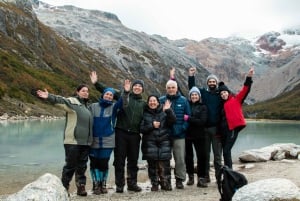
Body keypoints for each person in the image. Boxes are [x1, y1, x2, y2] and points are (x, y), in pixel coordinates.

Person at [90, 71, 146, 193]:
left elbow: (153, 111)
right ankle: (120, 185)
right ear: (132, 87)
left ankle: (132, 184)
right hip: (120, 133)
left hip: (135, 135)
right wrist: (96, 84)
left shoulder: (144, 104)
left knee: (133, 160)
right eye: (135, 85)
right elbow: (108, 92)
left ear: (142, 90)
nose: (137, 87)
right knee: (119, 160)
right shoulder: (124, 97)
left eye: (140, 86)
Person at [36, 84, 93, 196]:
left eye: (87, 91)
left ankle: (81, 187)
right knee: (70, 166)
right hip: (73, 141)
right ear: (77, 92)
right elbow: (61, 100)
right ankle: (64, 188)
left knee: (82, 166)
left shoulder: (86, 107)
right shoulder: (73, 102)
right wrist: (49, 96)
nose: (86, 92)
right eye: (83, 91)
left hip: (85, 143)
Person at [88, 79, 131, 195]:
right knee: (94, 163)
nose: (108, 96)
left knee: (103, 163)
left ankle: (103, 184)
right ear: (103, 95)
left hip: (108, 140)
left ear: (113, 98)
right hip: (93, 140)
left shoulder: (114, 107)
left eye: (111, 95)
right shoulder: (93, 106)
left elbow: (123, 102)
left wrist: (126, 92)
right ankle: (96, 185)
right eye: (107, 94)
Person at [188, 67, 222, 182]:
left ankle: (218, 176)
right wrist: (191, 76)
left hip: (216, 129)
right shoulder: (203, 92)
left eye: (214, 81)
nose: (212, 83)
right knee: (205, 155)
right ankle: (206, 176)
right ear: (207, 83)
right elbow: (192, 89)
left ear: (216, 83)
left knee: (217, 156)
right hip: (204, 130)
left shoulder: (219, 94)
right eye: (210, 81)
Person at [218, 67, 254, 169]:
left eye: (224, 92)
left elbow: (245, 90)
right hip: (223, 131)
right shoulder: (222, 104)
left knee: (226, 151)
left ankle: (229, 172)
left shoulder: (236, 100)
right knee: (226, 152)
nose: (223, 94)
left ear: (228, 92)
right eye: (221, 93)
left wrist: (249, 77)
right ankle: (228, 171)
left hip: (232, 129)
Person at [140, 95, 176, 191]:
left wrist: (168, 110)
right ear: (148, 103)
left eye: (154, 101)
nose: (152, 102)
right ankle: (154, 183)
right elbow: (141, 129)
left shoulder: (164, 112)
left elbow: (172, 121)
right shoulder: (144, 113)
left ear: (158, 102)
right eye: (150, 101)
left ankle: (166, 182)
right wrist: (152, 125)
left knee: (165, 165)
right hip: (150, 142)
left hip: (164, 141)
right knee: (152, 166)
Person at [159, 80, 191, 189]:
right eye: (169, 87)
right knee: (165, 159)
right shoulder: (161, 100)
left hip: (179, 135)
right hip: (165, 135)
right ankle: (165, 180)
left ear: (176, 88)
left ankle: (179, 180)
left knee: (180, 159)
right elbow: (157, 116)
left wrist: (183, 129)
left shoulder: (183, 100)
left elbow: (187, 117)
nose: (171, 89)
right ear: (166, 89)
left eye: (173, 87)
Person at [185, 86, 209, 187]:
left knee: (201, 156)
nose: (194, 96)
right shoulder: (187, 104)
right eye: (192, 95)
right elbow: (180, 92)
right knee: (189, 157)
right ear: (190, 96)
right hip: (187, 135)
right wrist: (173, 78)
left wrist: (189, 118)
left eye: (196, 95)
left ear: (199, 96)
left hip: (199, 135)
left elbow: (202, 122)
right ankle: (190, 177)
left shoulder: (203, 107)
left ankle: (201, 178)